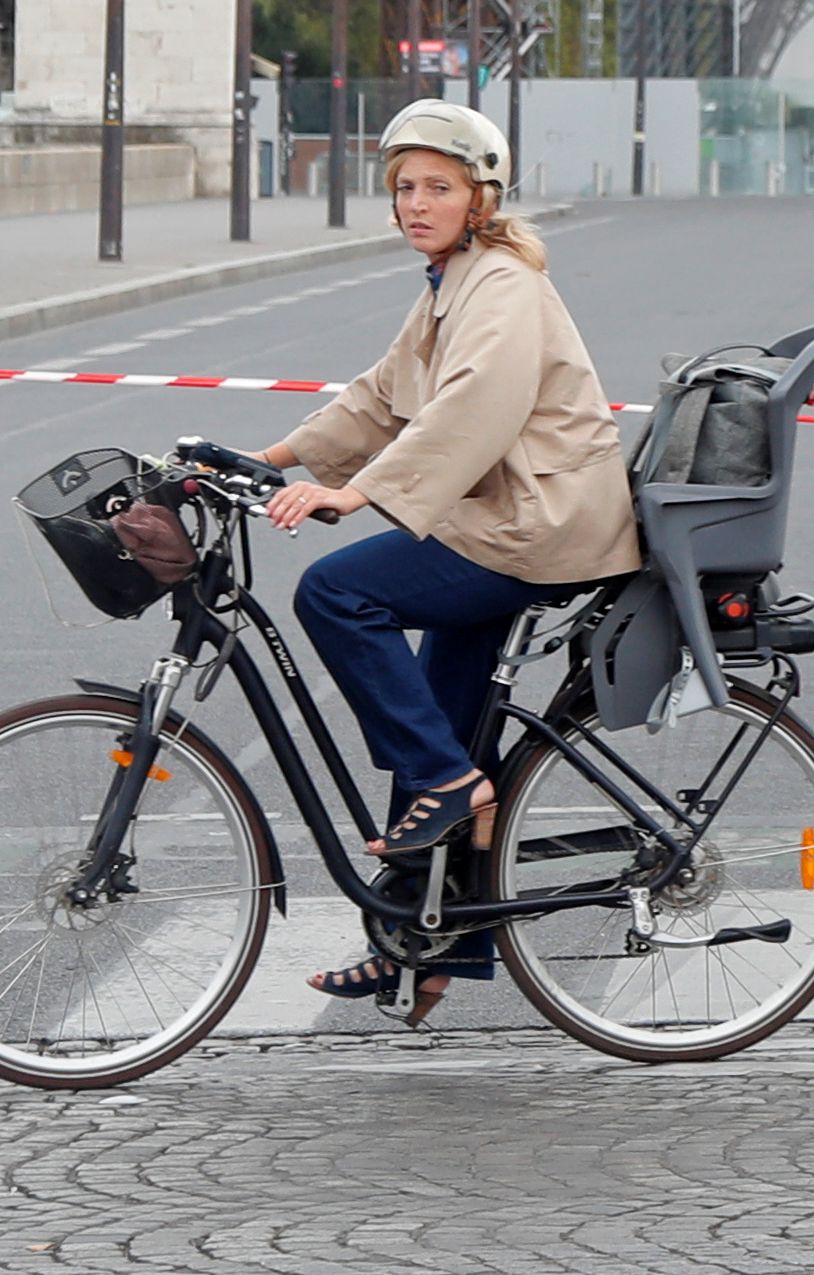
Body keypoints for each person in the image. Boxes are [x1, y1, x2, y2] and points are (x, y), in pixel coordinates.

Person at [254, 96, 642, 1020]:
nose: (416, 202)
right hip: (499, 519)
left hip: (537, 525)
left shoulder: (499, 285)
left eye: (437, 185)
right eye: (403, 188)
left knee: (337, 593)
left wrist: (356, 494)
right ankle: (418, 950)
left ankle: (448, 787)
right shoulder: (448, 281)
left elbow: (470, 408)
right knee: (435, 719)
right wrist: (263, 459)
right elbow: (380, 398)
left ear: (481, 196)